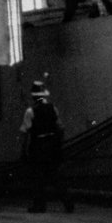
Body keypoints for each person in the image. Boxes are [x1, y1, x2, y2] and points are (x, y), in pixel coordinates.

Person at [19, 83, 73, 214]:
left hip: (38, 146)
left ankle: (39, 205)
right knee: (55, 176)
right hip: (53, 146)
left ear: (33, 97)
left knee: (38, 177)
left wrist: (23, 150)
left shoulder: (30, 111)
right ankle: (67, 203)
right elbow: (60, 128)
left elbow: (25, 132)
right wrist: (59, 144)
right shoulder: (53, 108)